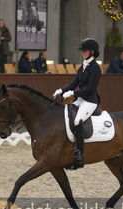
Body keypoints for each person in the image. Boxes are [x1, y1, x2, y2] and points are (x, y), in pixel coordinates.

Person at [52, 38, 101, 170]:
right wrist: (62, 90)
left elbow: (91, 88)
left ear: (92, 52)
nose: (82, 53)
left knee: (78, 120)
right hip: (81, 98)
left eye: (84, 51)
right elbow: (74, 84)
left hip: (90, 100)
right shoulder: (83, 66)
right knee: (67, 116)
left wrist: (74, 94)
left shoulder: (95, 68)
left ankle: (79, 155)